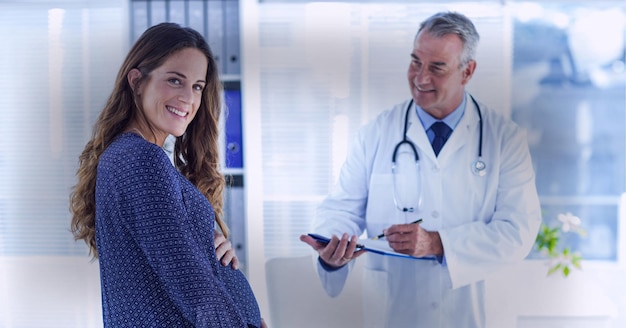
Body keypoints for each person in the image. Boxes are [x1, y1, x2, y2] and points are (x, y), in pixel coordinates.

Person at [300, 11, 541, 327]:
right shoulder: (376, 132)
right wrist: (333, 250)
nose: (421, 77)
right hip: (395, 312)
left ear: (467, 71)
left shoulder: (504, 138)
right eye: (415, 62)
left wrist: (438, 243)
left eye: (437, 68)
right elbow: (342, 209)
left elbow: (518, 230)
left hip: (470, 313)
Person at [70, 22, 265, 328]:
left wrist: (206, 246)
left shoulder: (132, 157)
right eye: (175, 80)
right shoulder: (140, 159)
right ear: (137, 81)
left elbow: (175, 266)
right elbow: (198, 294)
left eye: (197, 86)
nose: (188, 98)